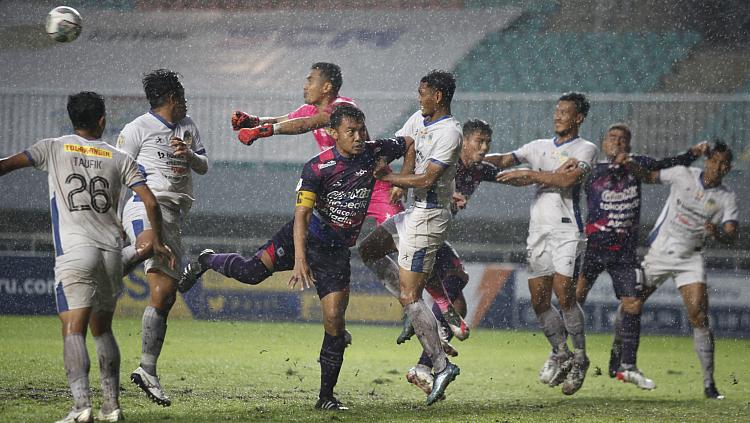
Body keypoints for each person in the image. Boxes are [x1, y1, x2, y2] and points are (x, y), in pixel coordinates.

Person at [178, 105, 412, 410]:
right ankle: (207, 259)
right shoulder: (317, 167)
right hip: (302, 237)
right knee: (251, 273)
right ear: (333, 133)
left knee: (334, 322)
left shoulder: (374, 151)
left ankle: (325, 398)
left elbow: (408, 142)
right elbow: (301, 215)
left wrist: (402, 182)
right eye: (350, 132)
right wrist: (300, 260)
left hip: (335, 253)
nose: (358, 137)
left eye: (361, 130)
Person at [0, 92, 174, 423]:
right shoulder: (119, 157)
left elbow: (6, 165)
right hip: (110, 253)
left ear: (71, 119)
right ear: (102, 121)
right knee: (103, 330)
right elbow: (150, 203)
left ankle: (81, 407)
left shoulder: (52, 146)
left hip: (75, 252)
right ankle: (112, 407)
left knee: (73, 330)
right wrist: (159, 240)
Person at [359, 118, 499, 397]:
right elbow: (422, 167)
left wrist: (538, 171)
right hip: (419, 224)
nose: (483, 148)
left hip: (428, 228)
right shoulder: (445, 157)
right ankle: (434, 336)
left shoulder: (478, 168)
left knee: (455, 282)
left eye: (487, 143)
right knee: (443, 287)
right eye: (478, 142)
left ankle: (428, 355)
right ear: (463, 142)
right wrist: (397, 180)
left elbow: (506, 166)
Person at [569, 123, 707, 390]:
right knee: (573, 299)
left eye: (623, 139)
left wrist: (691, 154)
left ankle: (626, 366)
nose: (618, 143)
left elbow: (667, 164)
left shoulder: (637, 165)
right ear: (603, 143)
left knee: (633, 303)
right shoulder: (591, 167)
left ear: (629, 145)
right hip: (593, 248)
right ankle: (570, 357)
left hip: (623, 252)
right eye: (613, 138)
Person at [360, 70, 463, 405]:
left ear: (439, 96)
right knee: (370, 250)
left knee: (411, 294)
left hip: (429, 217)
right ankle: (416, 310)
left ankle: (440, 365)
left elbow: (428, 179)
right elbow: (404, 143)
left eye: (423, 92)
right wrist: (383, 163)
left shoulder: (450, 131)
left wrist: (392, 179)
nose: (419, 97)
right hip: (413, 213)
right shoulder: (418, 119)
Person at [485, 92, 598, 395]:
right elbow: (504, 161)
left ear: (579, 118)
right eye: (557, 111)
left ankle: (580, 358)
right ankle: (560, 352)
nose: (558, 116)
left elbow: (567, 182)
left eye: (565, 112)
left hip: (567, 230)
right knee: (538, 300)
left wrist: (531, 174)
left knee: (565, 295)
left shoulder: (586, 149)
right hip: (538, 232)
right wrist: (475, 158)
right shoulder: (538, 147)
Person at [118, 69, 209, 406]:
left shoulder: (188, 128)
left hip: (174, 214)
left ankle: (147, 369)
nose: (186, 101)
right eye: (182, 95)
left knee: (165, 294)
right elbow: (117, 175)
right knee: (144, 246)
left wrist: (190, 156)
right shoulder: (136, 129)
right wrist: (114, 219)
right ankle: (95, 273)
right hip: (145, 205)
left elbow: (204, 165)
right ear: (173, 97)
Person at [625, 141, 738, 400]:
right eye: (715, 161)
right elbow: (649, 177)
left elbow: (732, 234)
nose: (719, 167)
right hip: (661, 253)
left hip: (690, 258)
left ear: (729, 168)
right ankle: (619, 359)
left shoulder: (727, 197)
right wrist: (632, 165)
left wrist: (717, 233)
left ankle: (709, 385)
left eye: (724, 164)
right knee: (631, 302)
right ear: (707, 161)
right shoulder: (682, 174)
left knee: (699, 315)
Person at [231, 62, 404, 225]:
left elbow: (306, 124)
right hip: (340, 187)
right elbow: (282, 120)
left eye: (310, 80)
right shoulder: (310, 110)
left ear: (326, 87)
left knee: (399, 235)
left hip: (372, 182)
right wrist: (253, 121)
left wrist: (261, 132)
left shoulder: (343, 107)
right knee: (323, 242)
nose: (305, 86)